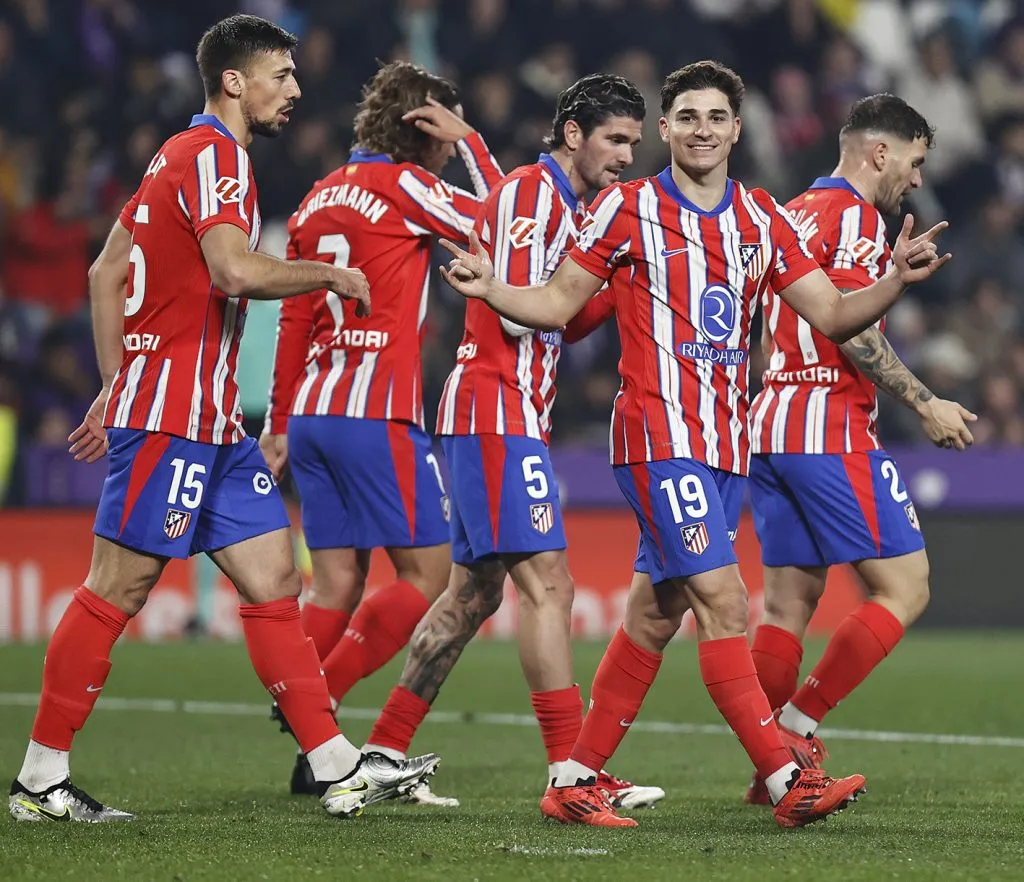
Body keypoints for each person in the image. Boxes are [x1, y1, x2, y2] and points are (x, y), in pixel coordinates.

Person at [438, 60, 951, 829]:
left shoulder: (762, 217)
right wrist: (493, 290)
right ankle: (786, 778)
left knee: (654, 613)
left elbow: (835, 316)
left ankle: (574, 777)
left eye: (716, 118)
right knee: (725, 601)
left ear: (736, 130)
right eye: (686, 117)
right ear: (667, 130)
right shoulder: (626, 209)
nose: (702, 130)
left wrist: (895, 284)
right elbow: (555, 303)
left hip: (727, 447)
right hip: (656, 438)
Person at [8, 15, 438, 824]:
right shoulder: (214, 154)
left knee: (276, 579)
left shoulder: (177, 154)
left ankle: (335, 764)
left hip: (209, 422)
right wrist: (329, 276)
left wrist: (116, 380)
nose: (296, 89)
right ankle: (39, 780)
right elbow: (233, 269)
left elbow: (107, 273)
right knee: (119, 586)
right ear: (235, 81)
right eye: (282, 74)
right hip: (174, 417)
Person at [363, 74, 664, 811]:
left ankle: (379, 754)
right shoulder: (538, 196)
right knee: (549, 585)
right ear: (573, 136)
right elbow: (530, 313)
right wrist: (608, 289)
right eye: (615, 139)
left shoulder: (553, 199)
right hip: (496, 408)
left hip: (491, 410)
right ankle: (570, 772)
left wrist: (469, 143)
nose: (628, 155)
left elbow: (539, 293)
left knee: (471, 596)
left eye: (633, 140)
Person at [260, 61, 504, 800]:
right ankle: (316, 709)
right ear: (423, 130)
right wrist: (475, 144)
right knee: (429, 578)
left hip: (312, 416)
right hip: (376, 416)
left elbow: (295, 314)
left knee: (336, 580)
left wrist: (276, 424)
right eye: (440, 128)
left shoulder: (318, 196)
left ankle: (310, 737)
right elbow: (507, 223)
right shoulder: (409, 186)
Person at [743, 93, 976, 804]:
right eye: (913, 161)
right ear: (880, 151)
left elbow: (769, 332)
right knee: (906, 586)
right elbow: (848, 328)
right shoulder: (851, 216)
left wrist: (888, 273)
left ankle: (770, 773)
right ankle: (797, 725)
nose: (915, 178)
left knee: (789, 603)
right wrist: (923, 400)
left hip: (772, 418)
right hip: (826, 424)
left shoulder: (793, 210)